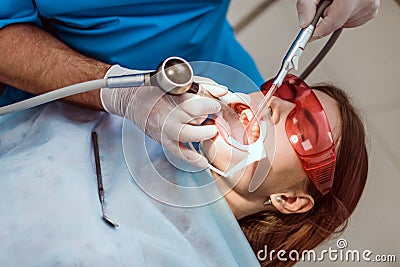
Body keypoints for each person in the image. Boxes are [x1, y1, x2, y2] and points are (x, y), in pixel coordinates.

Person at [0, 0, 379, 163]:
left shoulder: (238, 88)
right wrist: (118, 91)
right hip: (52, 86)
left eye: (302, 126)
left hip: (207, 51)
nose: (274, 104)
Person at [197, 75, 368, 266]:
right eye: (286, 91)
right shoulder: (162, 131)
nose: (274, 101)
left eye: (303, 129)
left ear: (289, 200)